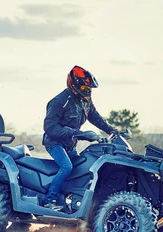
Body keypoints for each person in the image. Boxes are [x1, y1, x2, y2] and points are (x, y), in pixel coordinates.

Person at [42, 65, 115, 210]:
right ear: (74, 84)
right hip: (54, 143)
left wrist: (112, 131)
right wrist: (78, 134)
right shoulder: (60, 101)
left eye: (89, 88)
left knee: (81, 167)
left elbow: (96, 118)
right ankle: (49, 200)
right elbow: (50, 128)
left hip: (70, 145)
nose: (88, 90)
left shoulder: (84, 101)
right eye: (84, 87)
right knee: (66, 166)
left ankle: (68, 200)